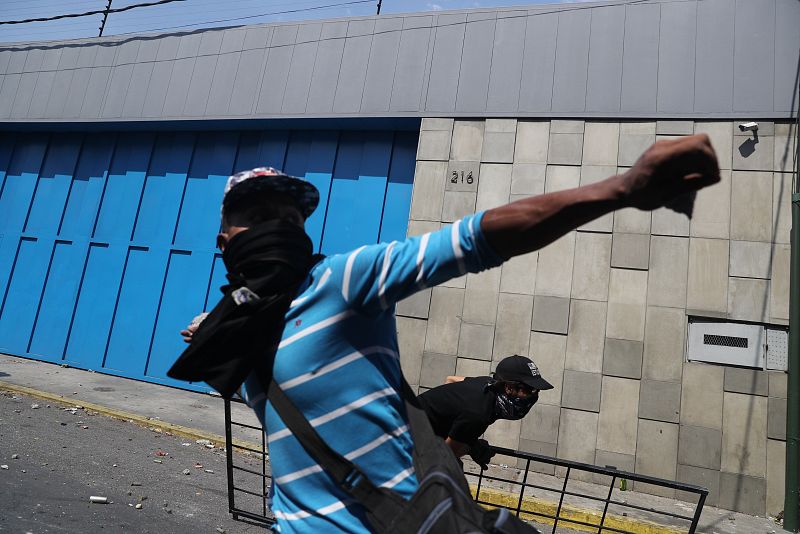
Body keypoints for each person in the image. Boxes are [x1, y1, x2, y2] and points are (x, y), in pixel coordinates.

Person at [179, 135, 720, 533]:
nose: (279, 226)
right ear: (224, 240)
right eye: (258, 215)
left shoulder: (344, 281)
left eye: (291, 218)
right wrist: (213, 325)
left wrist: (620, 189)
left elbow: (474, 239)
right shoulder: (235, 329)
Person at [418, 355, 553, 470]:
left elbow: (451, 379)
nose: (533, 396)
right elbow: (443, 458)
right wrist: (469, 445)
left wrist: (452, 423)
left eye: (536, 391)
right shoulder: (478, 412)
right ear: (508, 387)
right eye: (529, 390)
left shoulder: (487, 384)